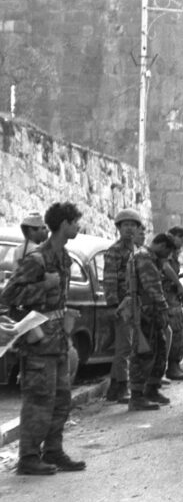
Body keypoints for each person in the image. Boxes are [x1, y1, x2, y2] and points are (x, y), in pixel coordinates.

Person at [0, 202, 87, 475]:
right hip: (38, 344)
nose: (77, 227)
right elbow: (8, 296)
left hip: (58, 340)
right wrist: (43, 286)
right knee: (38, 399)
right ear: (63, 224)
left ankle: (53, 451)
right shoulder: (37, 260)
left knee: (62, 399)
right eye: (74, 223)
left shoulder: (64, 259)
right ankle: (28, 457)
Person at [124, 233, 176, 411]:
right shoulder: (145, 258)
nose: (167, 256)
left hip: (150, 313)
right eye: (167, 251)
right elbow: (152, 287)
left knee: (159, 350)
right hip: (145, 313)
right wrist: (163, 308)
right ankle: (137, 396)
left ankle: (151, 389)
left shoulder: (148, 257)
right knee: (142, 353)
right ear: (161, 245)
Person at [101, 209, 144, 404]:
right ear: (119, 228)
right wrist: (113, 305)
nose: (129, 229)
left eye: (132, 225)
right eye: (125, 225)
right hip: (121, 305)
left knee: (130, 346)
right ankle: (122, 386)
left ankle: (114, 388)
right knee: (124, 348)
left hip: (134, 303)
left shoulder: (135, 250)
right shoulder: (114, 251)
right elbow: (108, 280)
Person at [161, 226, 183, 381]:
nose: (182, 240)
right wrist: (179, 284)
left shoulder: (174, 253)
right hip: (167, 298)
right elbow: (165, 268)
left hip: (173, 297)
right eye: (179, 236)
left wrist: (181, 276)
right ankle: (172, 367)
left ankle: (176, 365)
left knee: (180, 331)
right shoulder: (166, 251)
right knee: (175, 331)